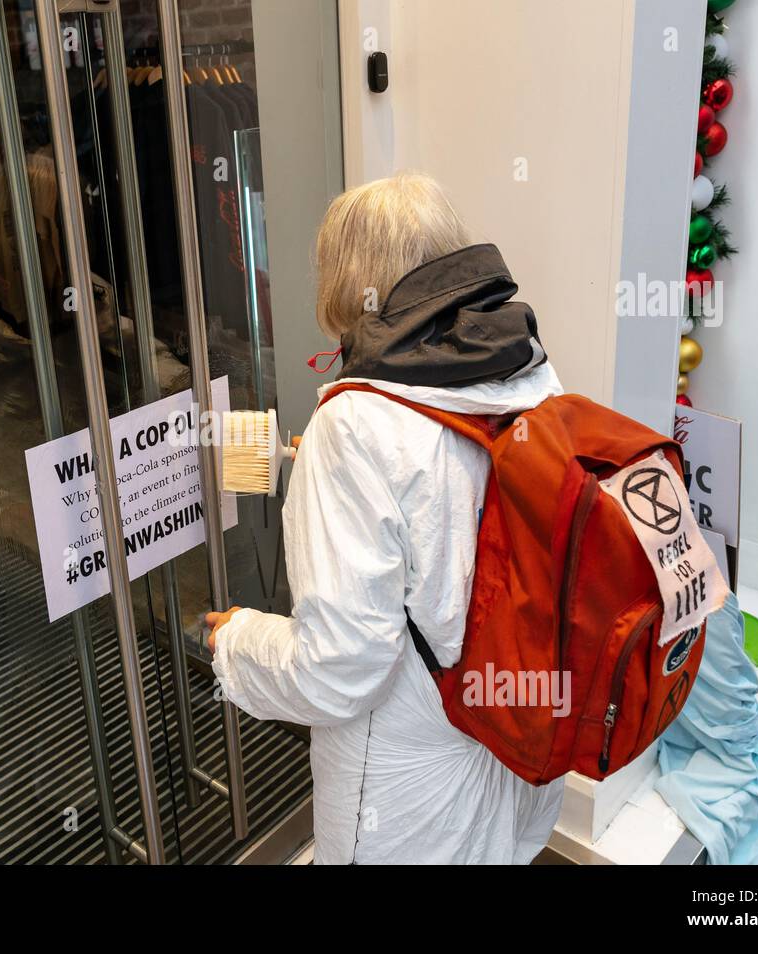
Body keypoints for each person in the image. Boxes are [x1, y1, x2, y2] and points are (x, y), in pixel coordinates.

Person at [205, 172, 565, 864]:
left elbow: (340, 669)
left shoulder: (356, 425)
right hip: (517, 735)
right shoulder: (527, 371)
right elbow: (459, 496)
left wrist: (239, 643)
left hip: (405, 796)